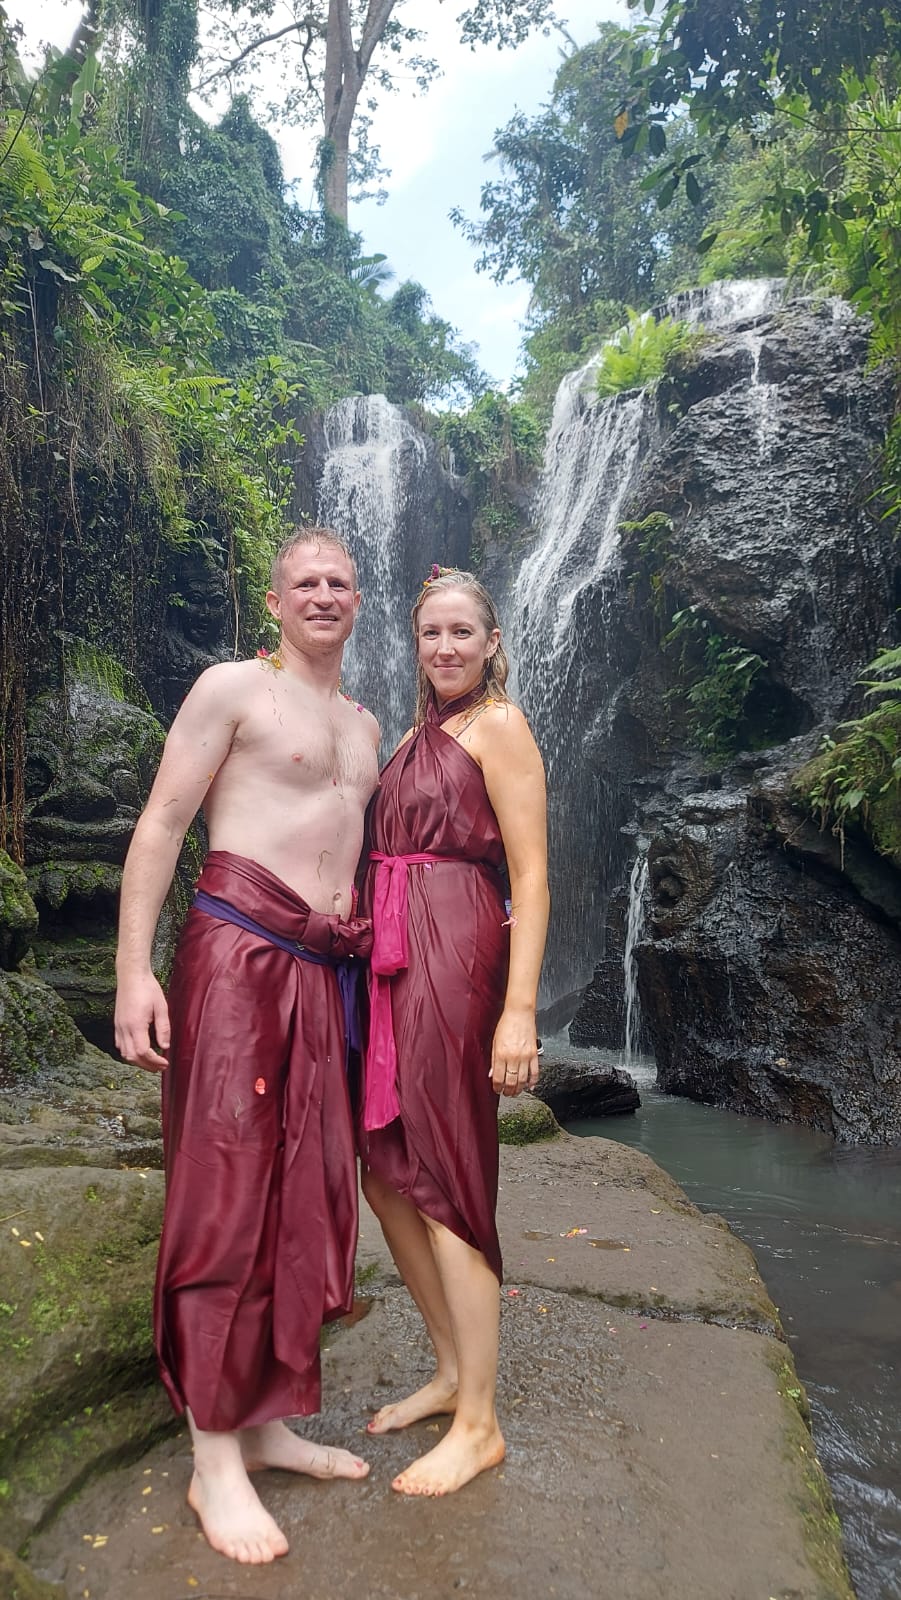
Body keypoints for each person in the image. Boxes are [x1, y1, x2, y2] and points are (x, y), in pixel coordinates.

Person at [114, 527, 380, 1565]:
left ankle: (266, 1422)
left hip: (322, 974)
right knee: (224, 1186)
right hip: (235, 952)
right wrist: (136, 973)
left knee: (303, 1192)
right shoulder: (233, 688)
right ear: (274, 601)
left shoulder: (364, 726)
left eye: (340, 582)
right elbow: (161, 825)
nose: (324, 594)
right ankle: (211, 1454)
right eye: (305, 582)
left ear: (360, 600)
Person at [359, 565, 549, 1498]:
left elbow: (534, 875)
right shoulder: (411, 736)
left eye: (460, 635)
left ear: (492, 642)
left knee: (445, 1169)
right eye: (429, 633)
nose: (443, 649)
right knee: (385, 1169)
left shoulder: (500, 728)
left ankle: (481, 1422)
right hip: (391, 956)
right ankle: (447, 1372)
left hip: (455, 951)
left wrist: (519, 1009)